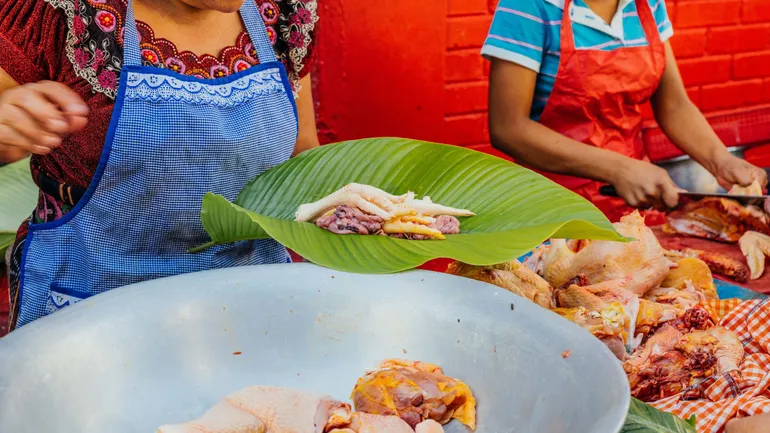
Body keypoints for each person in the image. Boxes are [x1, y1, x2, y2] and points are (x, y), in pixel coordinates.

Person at [0, 0, 319, 330]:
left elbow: (303, 160)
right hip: (93, 322)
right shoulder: (55, 14)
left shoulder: (284, 13)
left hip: (247, 314)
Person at [484, 0, 767, 222]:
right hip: (550, 207)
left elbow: (673, 105)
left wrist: (721, 161)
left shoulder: (648, 5)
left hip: (631, 202)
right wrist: (618, 169)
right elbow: (508, 128)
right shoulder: (529, 6)